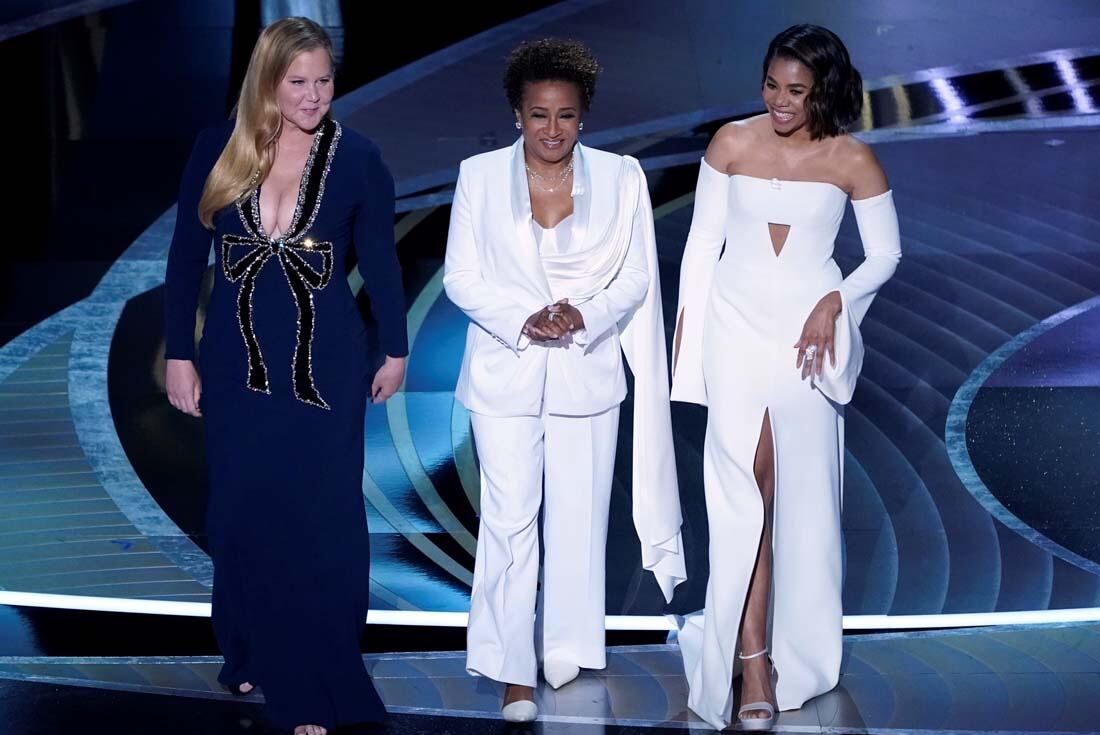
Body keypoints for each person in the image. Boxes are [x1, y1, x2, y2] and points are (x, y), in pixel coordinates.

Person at [163, 17, 407, 735]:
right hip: (234, 367)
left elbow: (384, 264)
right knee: (242, 513)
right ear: (267, 82)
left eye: (323, 80)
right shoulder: (220, 146)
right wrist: (180, 350)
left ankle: (316, 672)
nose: (313, 94)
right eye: (297, 81)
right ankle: (243, 642)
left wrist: (393, 347)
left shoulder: (358, 157)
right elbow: (184, 258)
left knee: (324, 520)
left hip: (327, 367)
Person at [443, 38, 685, 723]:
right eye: (540, 114)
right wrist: (526, 318)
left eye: (568, 116)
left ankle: (568, 647)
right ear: (517, 113)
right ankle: (512, 667)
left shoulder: (621, 176)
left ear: (585, 117)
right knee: (510, 519)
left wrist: (584, 313)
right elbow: (460, 276)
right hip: (505, 370)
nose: (554, 129)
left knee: (580, 521)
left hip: (587, 367)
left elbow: (637, 275)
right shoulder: (478, 176)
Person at [670, 24, 901, 731]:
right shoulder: (731, 144)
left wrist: (837, 300)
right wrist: (690, 362)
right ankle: (751, 660)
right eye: (771, 85)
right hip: (733, 333)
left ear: (824, 89)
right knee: (746, 488)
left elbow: (885, 255)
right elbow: (699, 251)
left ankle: (782, 647)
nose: (778, 100)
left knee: (791, 501)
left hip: (806, 345)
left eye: (795, 90)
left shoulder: (852, 158)